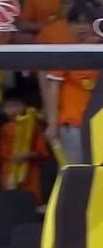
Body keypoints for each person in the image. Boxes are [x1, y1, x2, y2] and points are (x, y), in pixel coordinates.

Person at [45, 4, 99, 165]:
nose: (81, 27)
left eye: (86, 22)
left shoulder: (100, 51)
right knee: (75, 171)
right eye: (76, 23)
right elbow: (53, 88)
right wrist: (52, 123)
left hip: (99, 124)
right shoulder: (65, 53)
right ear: (69, 25)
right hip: (72, 123)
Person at [0, 89, 48, 204]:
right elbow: (1, 153)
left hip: (30, 173)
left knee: (29, 202)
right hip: (9, 171)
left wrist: (27, 155)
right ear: (3, 109)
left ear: (24, 106)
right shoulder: (3, 129)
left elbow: (42, 151)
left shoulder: (34, 127)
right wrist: (14, 157)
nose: (13, 110)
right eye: (9, 106)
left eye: (17, 105)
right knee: (10, 202)